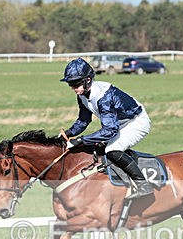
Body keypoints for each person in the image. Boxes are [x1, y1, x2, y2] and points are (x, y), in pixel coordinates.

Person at [60, 57, 154, 198]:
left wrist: (80, 140)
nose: (73, 88)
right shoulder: (82, 95)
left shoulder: (103, 96)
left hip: (137, 122)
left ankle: (143, 185)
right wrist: (69, 133)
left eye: (75, 84)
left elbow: (110, 130)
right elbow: (84, 120)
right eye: (70, 84)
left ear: (88, 80)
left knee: (112, 149)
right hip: (119, 123)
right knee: (97, 148)